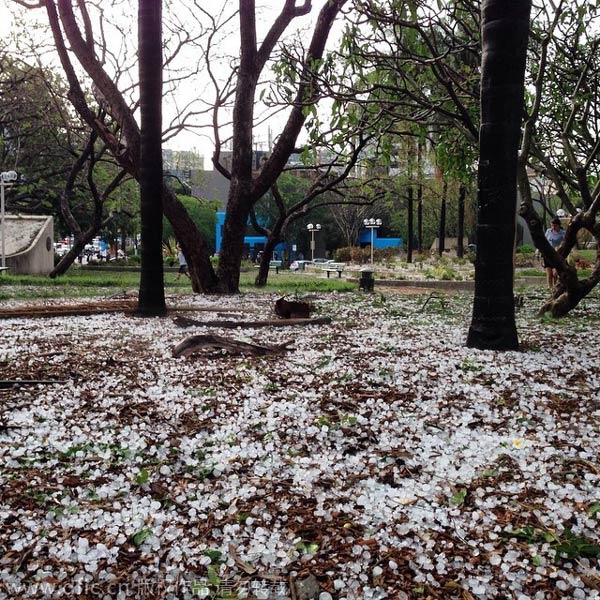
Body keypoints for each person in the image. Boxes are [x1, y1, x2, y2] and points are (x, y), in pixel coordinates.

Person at [544, 217, 566, 289]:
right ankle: (549, 288)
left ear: (558, 225)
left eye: (555, 225)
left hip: (557, 255)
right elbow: (545, 241)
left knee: (555, 274)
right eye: (552, 225)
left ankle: (555, 286)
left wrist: (559, 247)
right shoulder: (548, 231)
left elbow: (565, 243)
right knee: (549, 273)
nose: (553, 227)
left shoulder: (563, 233)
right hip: (548, 254)